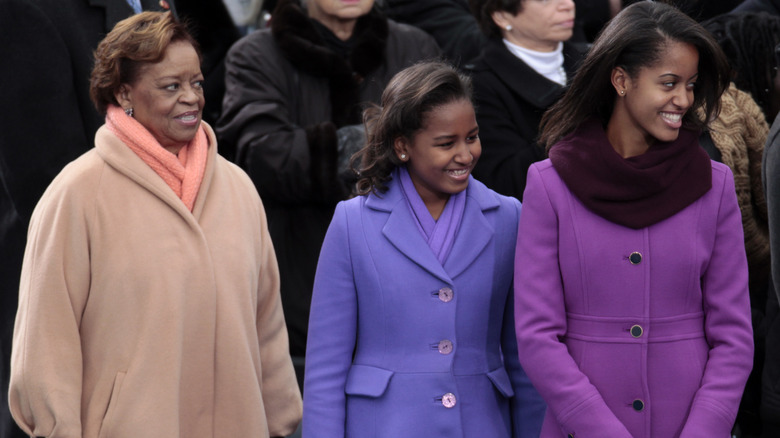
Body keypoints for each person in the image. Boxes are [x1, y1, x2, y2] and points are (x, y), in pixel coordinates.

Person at [8, 12, 301, 437]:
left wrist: (279, 418)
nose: (191, 98)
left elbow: (267, 321)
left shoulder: (239, 189)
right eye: (171, 86)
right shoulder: (76, 193)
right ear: (124, 92)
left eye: (196, 83)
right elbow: (47, 338)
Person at [514, 2, 754, 437]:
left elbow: (733, 337)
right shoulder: (549, 184)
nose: (683, 100)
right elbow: (536, 337)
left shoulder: (713, 184)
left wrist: (704, 430)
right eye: (669, 83)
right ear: (621, 80)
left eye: (691, 85)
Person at [303, 60, 546, 437]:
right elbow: (325, 367)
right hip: (381, 426)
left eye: (472, 137)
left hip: (481, 424)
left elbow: (524, 357)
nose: (465, 155)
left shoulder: (508, 217)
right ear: (403, 146)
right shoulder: (352, 223)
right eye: (446, 143)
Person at [216, 0, 440, 387]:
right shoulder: (256, 54)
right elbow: (262, 156)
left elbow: (446, 147)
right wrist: (382, 145)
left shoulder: (413, 47)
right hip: (301, 278)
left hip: (406, 280)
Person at [467, 0, 584, 201]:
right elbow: (504, 181)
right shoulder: (480, 86)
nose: (567, 4)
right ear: (502, 16)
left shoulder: (595, 61)